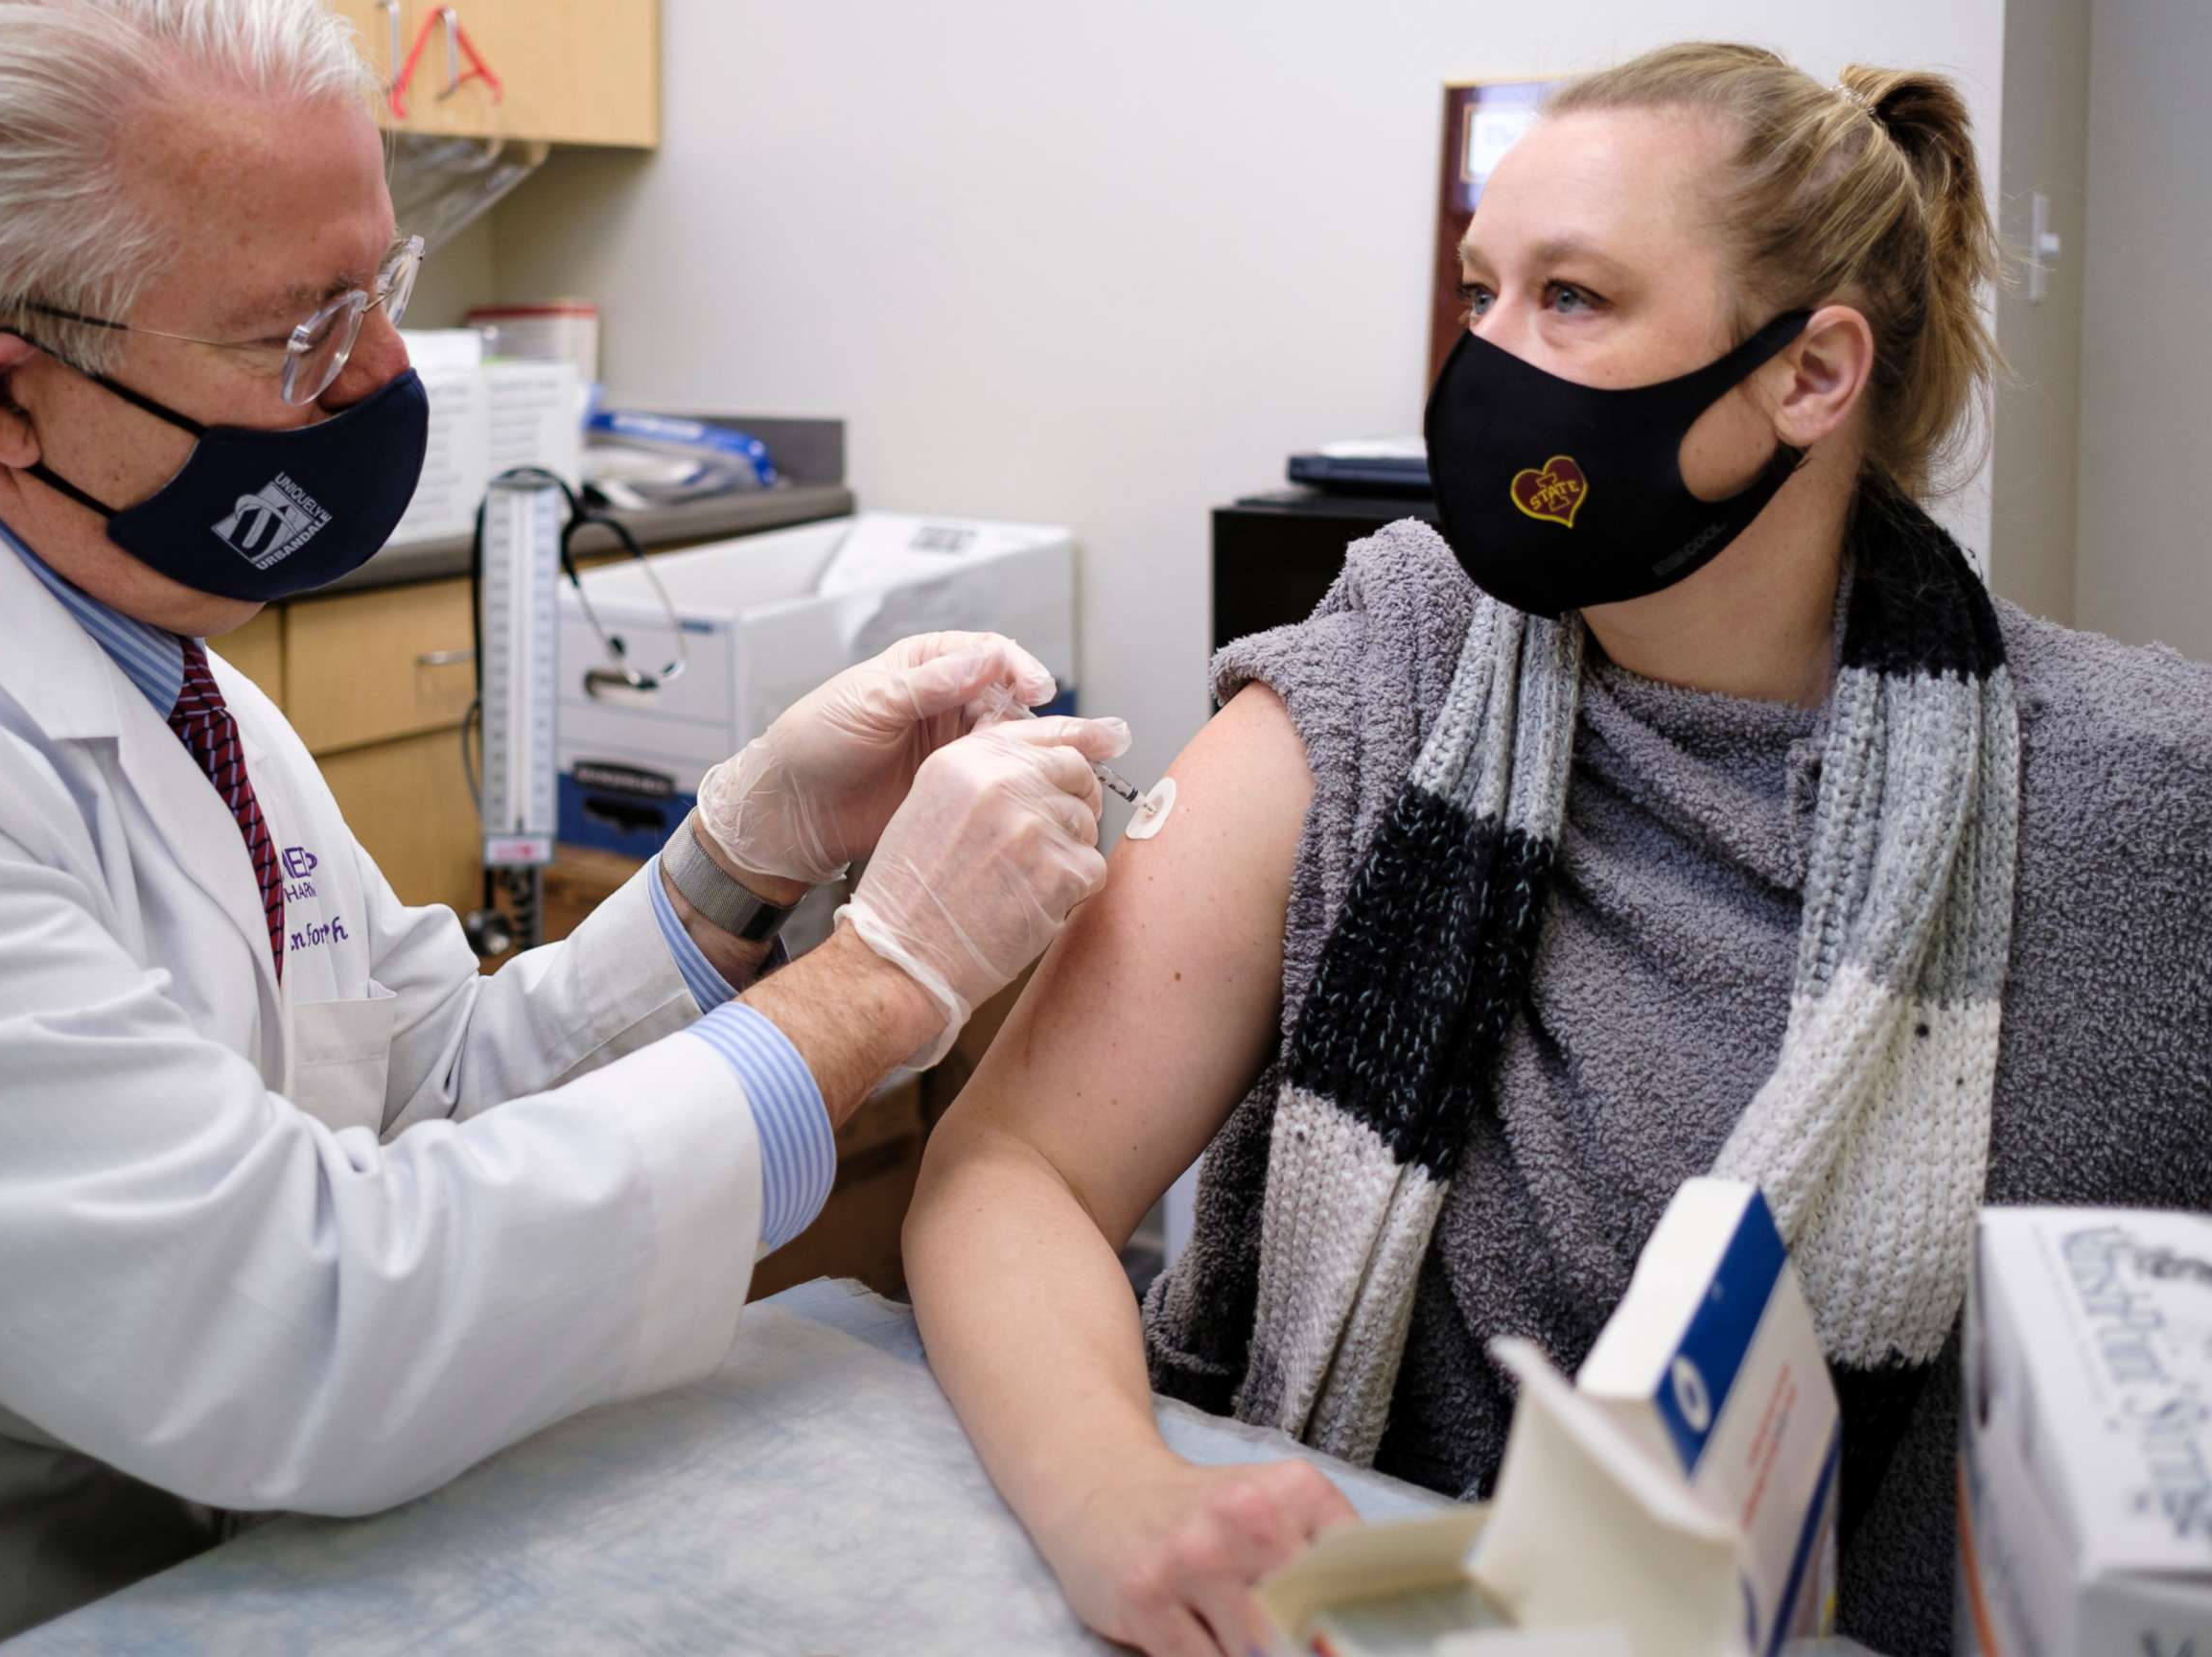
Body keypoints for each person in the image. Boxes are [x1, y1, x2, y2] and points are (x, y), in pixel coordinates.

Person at [0, 2, 1126, 1651]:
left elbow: (424, 1087)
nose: (387, 378)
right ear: (3, 399)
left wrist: (739, 858)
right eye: (302, 333)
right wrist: (879, 986)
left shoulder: (154, 647)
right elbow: (307, 1327)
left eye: (381, 287)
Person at [905, 41, 2212, 1657]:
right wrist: (1118, 1498)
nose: (1484, 365)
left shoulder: (2135, 802)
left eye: (1572, 299)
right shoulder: (1394, 665)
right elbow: (1015, 1170)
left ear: (1810, 374)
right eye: (1480, 293)